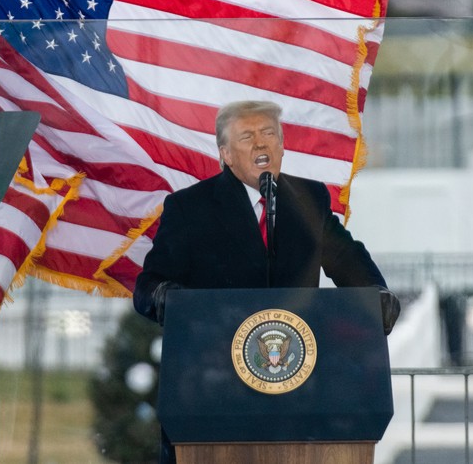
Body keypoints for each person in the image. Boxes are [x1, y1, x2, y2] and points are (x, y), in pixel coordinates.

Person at [133, 99, 400, 463]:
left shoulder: (310, 199)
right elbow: (147, 288)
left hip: (299, 398)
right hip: (214, 397)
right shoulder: (189, 208)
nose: (261, 144)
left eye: (269, 134)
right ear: (226, 153)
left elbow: (347, 260)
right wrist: (170, 299)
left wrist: (377, 296)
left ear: (282, 145)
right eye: (247, 137)